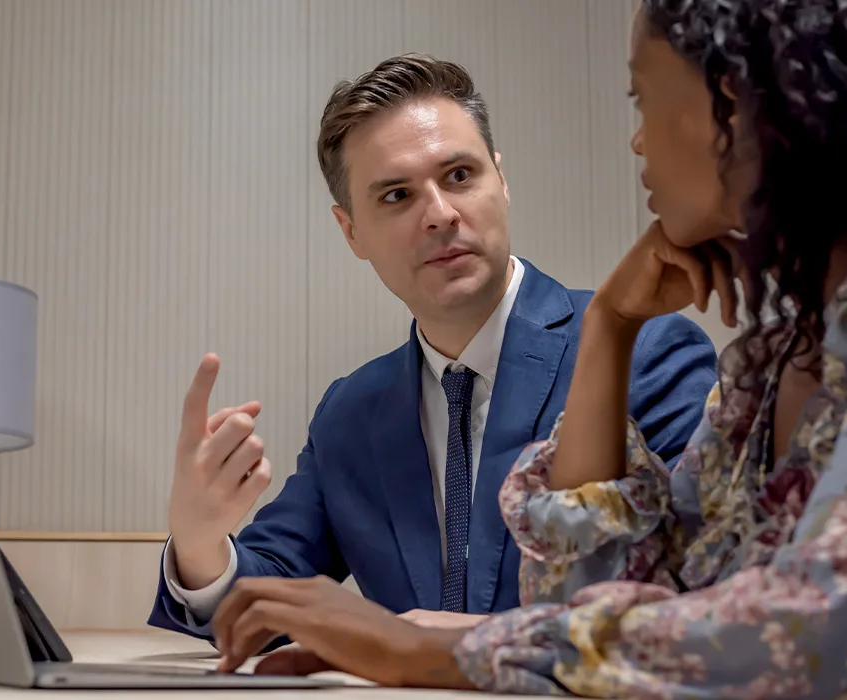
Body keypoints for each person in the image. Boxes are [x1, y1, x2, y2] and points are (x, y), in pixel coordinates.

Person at [204, 1, 847, 697]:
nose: (635, 140)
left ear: (748, 105)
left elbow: (826, 631)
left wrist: (435, 650)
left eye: (640, 99)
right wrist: (607, 329)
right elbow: (606, 602)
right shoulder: (776, 352)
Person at [146, 55, 720, 640]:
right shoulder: (350, 413)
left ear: (502, 181)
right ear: (351, 232)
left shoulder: (645, 352)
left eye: (460, 176)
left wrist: (473, 642)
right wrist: (199, 544)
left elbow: (711, 594)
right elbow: (265, 600)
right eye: (397, 195)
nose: (441, 214)